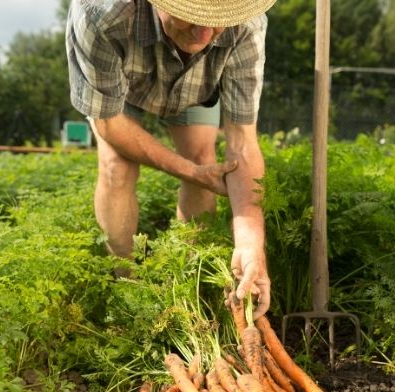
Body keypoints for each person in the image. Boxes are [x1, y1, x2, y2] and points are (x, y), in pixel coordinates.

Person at [65, 0, 276, 319]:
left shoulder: (245, 24)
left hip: (194, 84)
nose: (205, 31)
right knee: (116, 167)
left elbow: (242, 142)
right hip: (122, 87)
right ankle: (129, 291)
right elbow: (109, 122)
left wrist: (251, 243)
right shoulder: (101, 14)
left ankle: (188, 285)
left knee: (203, 155)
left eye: (216, 19)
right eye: (191, 16)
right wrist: (191, 172)